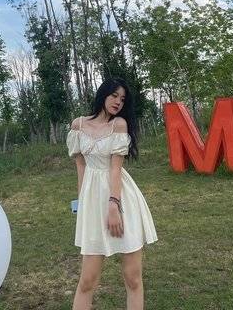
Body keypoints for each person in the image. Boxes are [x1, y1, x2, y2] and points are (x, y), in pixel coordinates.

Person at [66, 77, 158, 310]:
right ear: (103, 95)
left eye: (122, 99)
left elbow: (115, 168)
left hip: (121, 199)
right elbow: (81, 166)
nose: (118, 102)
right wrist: (82, 205)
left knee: (132, 278)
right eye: (114, 95)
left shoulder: (119, 125)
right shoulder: (78, 125)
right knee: (87, 280)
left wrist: (114, 204)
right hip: (93, 202)